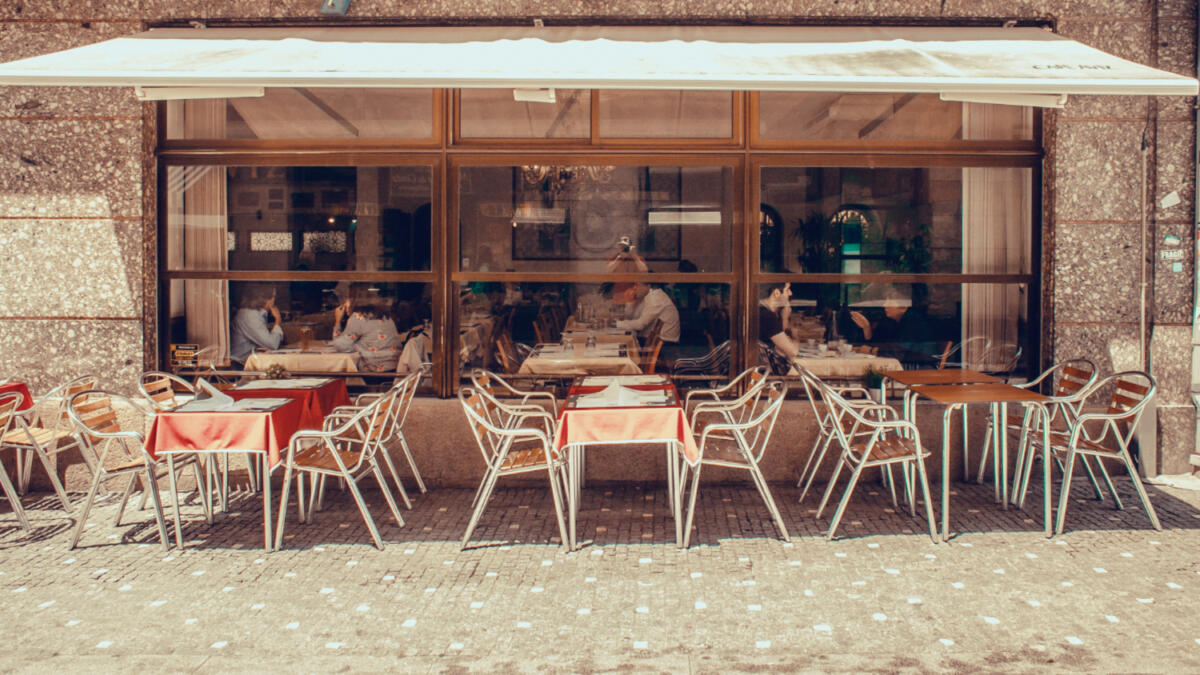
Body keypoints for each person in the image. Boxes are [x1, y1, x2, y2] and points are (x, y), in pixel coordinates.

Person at [848, 286, 934, 357]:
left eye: (889, 301)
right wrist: (866, 327)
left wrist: (871, 351)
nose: (885, 305)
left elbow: (899, 353)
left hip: (917, 368)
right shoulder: (893, 321)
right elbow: (883, 345)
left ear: (904, 306)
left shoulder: (912, 321)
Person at [330, 291, 403, 373]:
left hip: (372, 372)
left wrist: (337, 321)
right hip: (394, 369)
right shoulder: (386, 316)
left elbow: (340, 346)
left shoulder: (359, 317)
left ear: (354, 300)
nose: (345, 303)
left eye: (347, 299)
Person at [231, 284, 284, 364]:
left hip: (250, 361)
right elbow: (272, 344)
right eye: (273, 296)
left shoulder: (256, 314)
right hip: (239, 365)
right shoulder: (249, 316)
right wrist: (278, 321)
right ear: (264, 299)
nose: (274, 300)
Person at [614, 282, 681, 344]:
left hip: (665, 343)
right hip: (652, 339)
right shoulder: (645, 297)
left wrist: (614, 324)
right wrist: (630, 301)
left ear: (648, 286)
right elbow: (632, 317)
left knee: (623, 343)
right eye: (633, 286)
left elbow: (640, 325)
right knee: (623, 341)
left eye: (637, 285)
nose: (634, 289)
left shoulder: (655, 298)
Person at [758, 282, 799, 359]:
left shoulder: (765, 310)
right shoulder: (767, 316)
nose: (790, 293)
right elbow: (793, 351)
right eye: (787, 290)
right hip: (760, 367)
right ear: (776, 293)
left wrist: (784, 318)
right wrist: (795, 336)